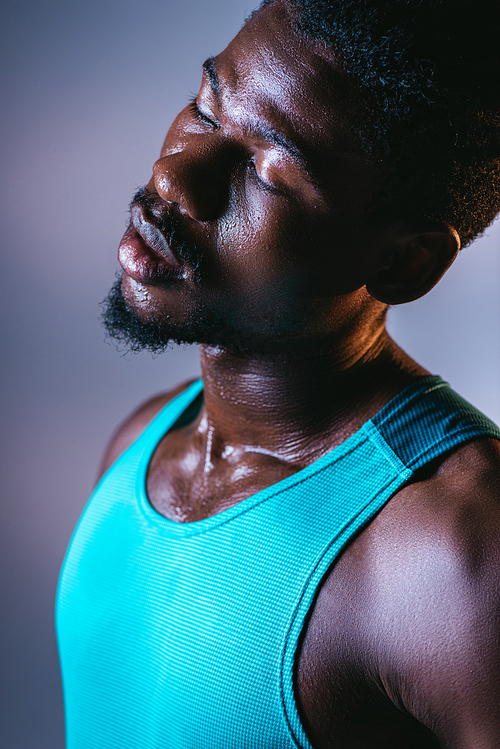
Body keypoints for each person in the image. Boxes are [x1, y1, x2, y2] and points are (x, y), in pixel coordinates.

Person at [56, 0, 500, 746]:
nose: (174, 177)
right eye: (205, 106)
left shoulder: (461, 553)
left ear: (402, 261)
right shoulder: (141, 444)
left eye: (268, 171)